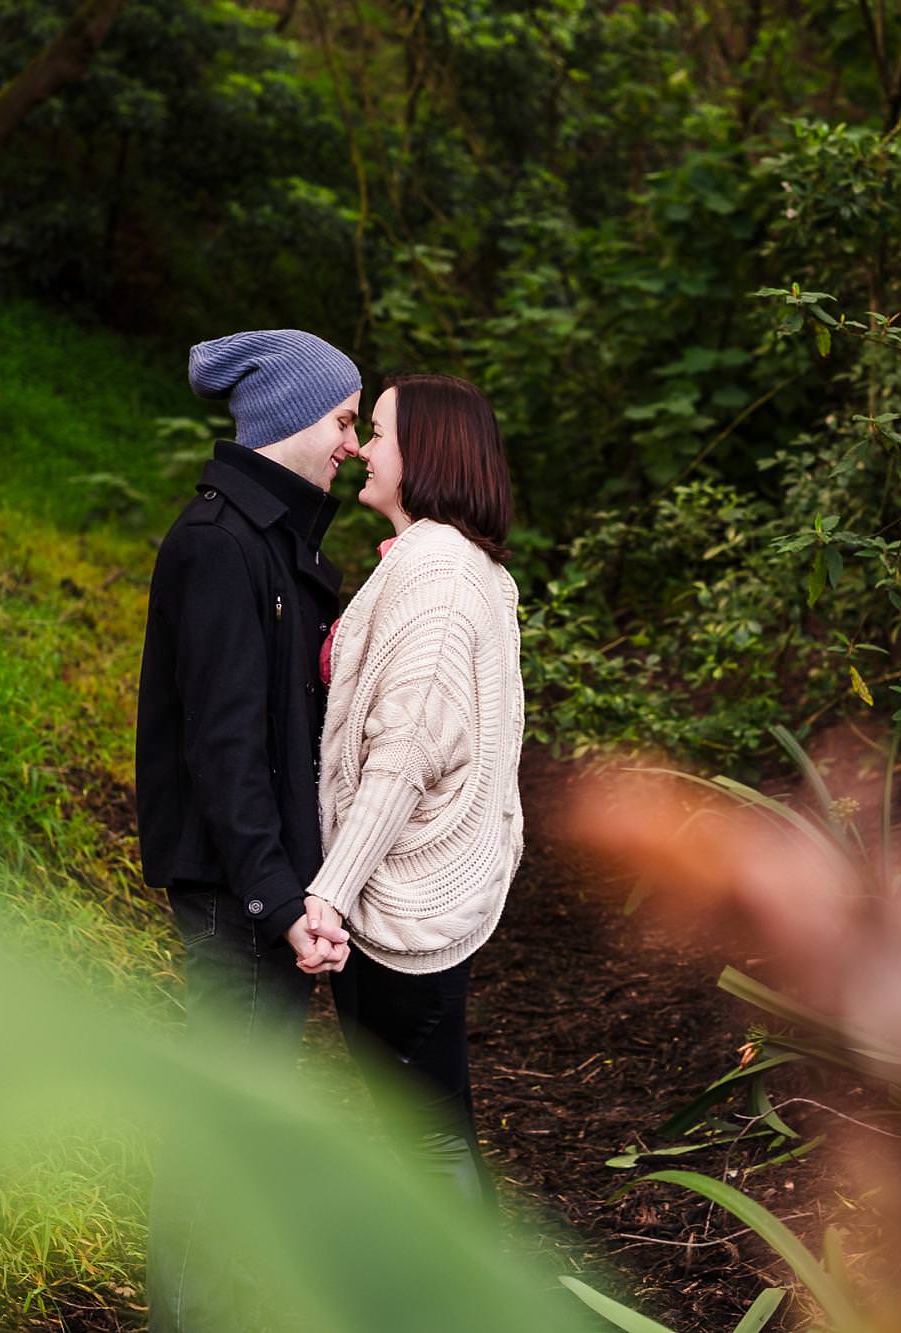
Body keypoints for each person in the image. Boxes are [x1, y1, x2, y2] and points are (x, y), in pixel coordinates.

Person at [134, 328, 363, 1332]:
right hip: (237, 897)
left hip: (265, 888)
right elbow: (225, 750)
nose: (352, 443)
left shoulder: (278, 541)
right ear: (288, 421)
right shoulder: (217, 542)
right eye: (344, 420)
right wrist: (276, 900)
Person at [301, 372, 525, 1201]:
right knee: (432, 1124)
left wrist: (331, 890)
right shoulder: (461, 568)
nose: (362, 448)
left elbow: (404, 755)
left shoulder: (436, 575)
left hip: (403, 897)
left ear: (426, 451)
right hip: (419, 890)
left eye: (382, 433)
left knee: (427, 1135)